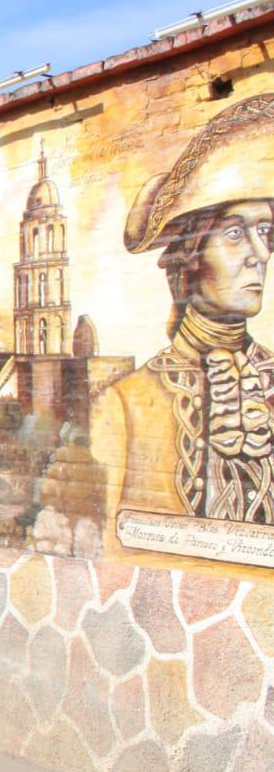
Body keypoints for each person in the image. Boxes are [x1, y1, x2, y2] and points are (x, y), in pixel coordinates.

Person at [92, 93, 274, 533]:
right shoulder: (127, 404)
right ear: (190, 255)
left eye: (266, 230)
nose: (260, 254)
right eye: (235, 233)